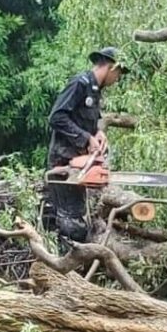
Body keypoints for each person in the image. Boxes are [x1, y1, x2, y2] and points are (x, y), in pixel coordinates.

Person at [45, 47, 127, 242]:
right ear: (110, 67)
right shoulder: (79, 84)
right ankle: (62, 265)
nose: (118, 79)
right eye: (118, 73)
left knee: (79, 216)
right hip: (63, 160)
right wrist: (85, 138)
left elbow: (90, 121)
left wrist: (97, 134)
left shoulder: (95, 91)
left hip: (80, 163)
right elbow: (56, 117)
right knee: (71, 224)